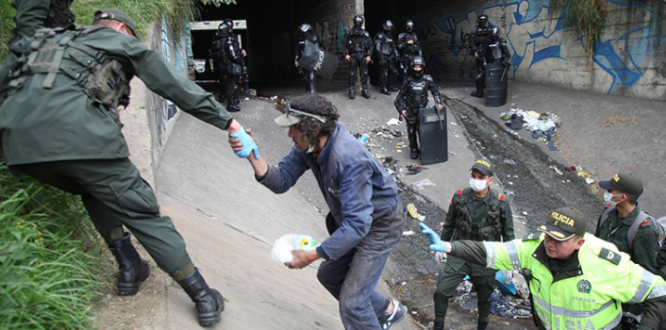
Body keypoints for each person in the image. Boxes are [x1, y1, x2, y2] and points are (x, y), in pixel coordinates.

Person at [0, 2, 260, 327]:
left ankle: (129, 267)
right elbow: (175, 86)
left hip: (20, 148)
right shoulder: (120, 41)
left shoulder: (41, 39)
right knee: (142, 212)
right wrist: (229, 124)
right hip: (84, 140)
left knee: (92, 187)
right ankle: (203, 297)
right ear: (123, 29)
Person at [229, 94, 408, 330]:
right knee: (329, 276)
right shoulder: (309, 147)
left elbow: (358, 225)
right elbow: (280, 181)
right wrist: (253, 156)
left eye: (293, 128)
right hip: (355, 221)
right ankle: (387, 311)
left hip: (380, 227)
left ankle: (375, 312)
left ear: (313, 127)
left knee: (353, 302)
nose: (289, 134)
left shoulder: (347, 158)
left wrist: (313, 254)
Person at [420, 206, 666, 330]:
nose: (549, 243)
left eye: (559, 240)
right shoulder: (535, 246)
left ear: (579, 242)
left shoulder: (605, 263)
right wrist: (449, 247)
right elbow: (493, 252)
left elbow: (658, 291)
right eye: (549, 236)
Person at [432, 160, 514, 330]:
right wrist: (442, 245)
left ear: (490, 180)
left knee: (485, 297)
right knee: (441, 290)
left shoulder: (500, 203)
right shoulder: (460, 197)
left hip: (486, 256)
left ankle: (482, 326)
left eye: (481, 177)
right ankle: (438, 325)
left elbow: (508, 234)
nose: (476, 180)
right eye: (474, 176)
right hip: (460, 253)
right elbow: (449, 224)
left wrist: (510, 261)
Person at [595, 173, 666, 328]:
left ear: (623, 197)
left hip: (623, 299)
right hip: (600, 289)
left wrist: (632, 314)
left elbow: (646, 273)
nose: (607, 194)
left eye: (611, 191)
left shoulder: (644, 230)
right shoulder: (607, 215)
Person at [394, 56, 444, 159]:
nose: (417, 69)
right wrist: (402, 110)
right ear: (412, 67)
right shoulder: (408, 81)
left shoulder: (427, 80)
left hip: (423, 111)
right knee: (411, 132)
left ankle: (425, 150)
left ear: (422, 67)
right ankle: (413, 149)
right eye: (415, 67)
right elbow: (399, 98)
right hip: (411, 110)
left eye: (419, 67)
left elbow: (435, 92)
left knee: (423, 131)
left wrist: (438, 103)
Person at [214, 20, 243, 112]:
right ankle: (231, 104)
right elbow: (233, 54)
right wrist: (239, 61)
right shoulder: (228, 40)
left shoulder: (217, 40)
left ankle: (228, 99)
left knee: (225, 83)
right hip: (230, 65)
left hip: (222, 65)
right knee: (232, 84)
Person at [474, 27, 510, 97]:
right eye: (492, 34)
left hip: (498, 64)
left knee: (497, 80)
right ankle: (479, 93)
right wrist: (484, 61)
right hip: (489, 64)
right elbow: (484, 54)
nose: (493, 35)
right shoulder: (487, 43)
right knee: (478, 78)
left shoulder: (500, 42)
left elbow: (507, 54)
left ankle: (499, 94)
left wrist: (505, 61)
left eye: (495, 34)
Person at [342, 15, 373, 99]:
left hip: (363, 55)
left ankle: (365, 90)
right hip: (353, 55)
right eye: (357, 23)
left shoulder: (365, 34)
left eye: (359, 23)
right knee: (352, 74)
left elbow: (370, 46)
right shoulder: (349, 34)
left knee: (364, 73)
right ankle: (351, 90)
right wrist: (346, 54)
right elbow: (344, 45)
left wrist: (369, 55)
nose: (358, 24)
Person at [373, 20, 400, 95]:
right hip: (383, 56)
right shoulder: (380, 36)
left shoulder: (390, 36)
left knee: (394, 72)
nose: (389, 30)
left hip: (389, 57)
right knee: (383, 74)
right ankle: (383, 88)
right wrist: (380, 57)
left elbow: (393, 46)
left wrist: (396, 54)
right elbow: (377, 47)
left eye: (390, 28)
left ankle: (390, 85)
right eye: (387, 28)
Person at [469, 15, 491, 97]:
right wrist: (475, 51)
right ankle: (480, 91)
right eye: (482, 21)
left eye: (484, 20)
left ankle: (484, 89)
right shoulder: (475, 31)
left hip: (488, 53)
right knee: (481, 72)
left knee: (488, 72)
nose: (483, 22)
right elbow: (472, 42)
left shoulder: (488, 30)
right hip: (480, 52)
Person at [294, 23, 318, 94]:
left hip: (311, 59)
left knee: (311, 76)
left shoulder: (313, 38)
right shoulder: (300, 39)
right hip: (303, 60)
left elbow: (316, 49)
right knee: (304, 76)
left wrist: (316, 59)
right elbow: (297, 50)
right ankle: (308, 91)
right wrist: (296, 60)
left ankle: (312, 92)